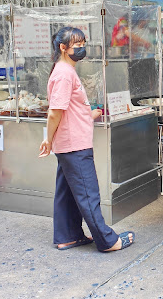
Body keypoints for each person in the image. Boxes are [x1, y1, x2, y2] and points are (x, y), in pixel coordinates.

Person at [39, 27, 134, 252]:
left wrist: (89, 114)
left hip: (69, 141)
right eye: (77, 45)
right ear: (63, 48)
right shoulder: (64, 73)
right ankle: (107, 241)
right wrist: (48, 140)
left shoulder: (65, 70)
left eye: (83, 43)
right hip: (74, 144)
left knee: (67, 193)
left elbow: (68, 109)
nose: (81, 48)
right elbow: (55, 112)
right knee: (88, 193)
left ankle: (68, 236)